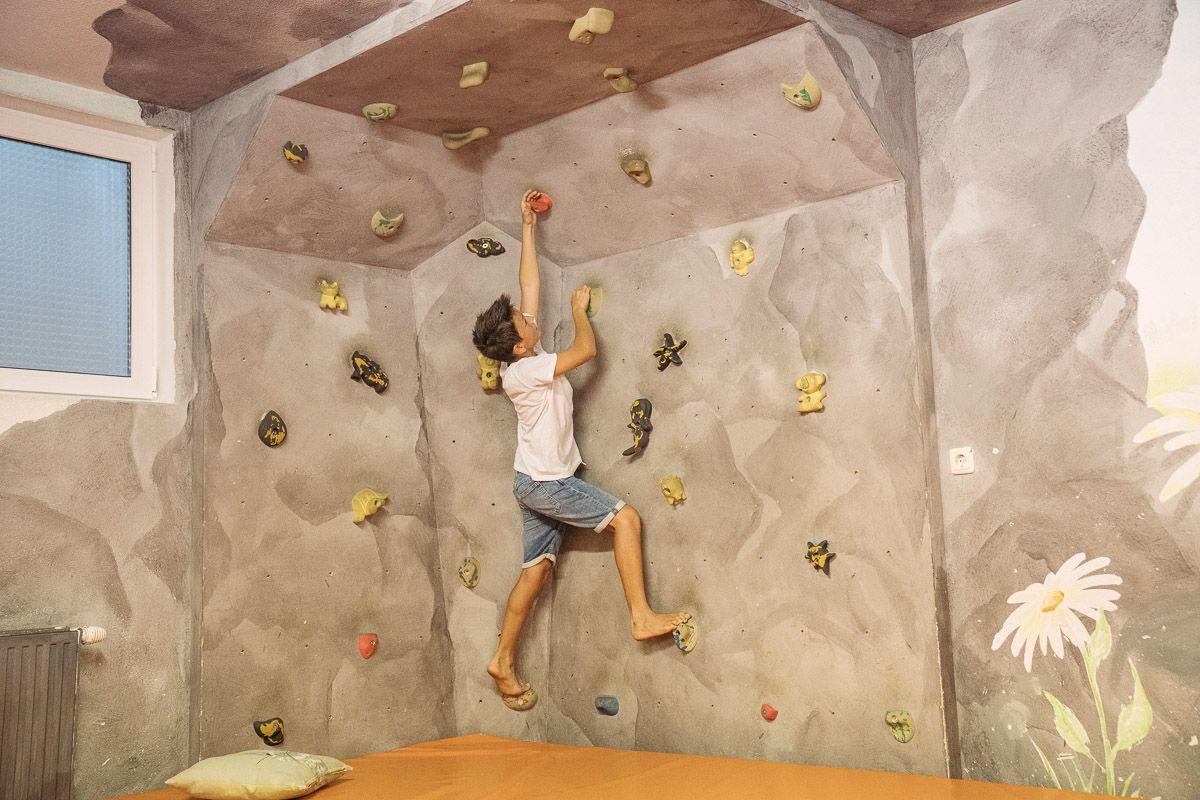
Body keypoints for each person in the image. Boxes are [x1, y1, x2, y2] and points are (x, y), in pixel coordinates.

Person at [470, 190, 692, 711]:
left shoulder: (520, 355)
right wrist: (577, 312)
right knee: (627, 520)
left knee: (537, 571)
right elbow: (587, 351)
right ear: (520, 345)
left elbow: (528, 284)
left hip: (532, 480)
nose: (530, 317)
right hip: (547, 484)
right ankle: (641, 616)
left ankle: (501, 660)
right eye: (525, 322)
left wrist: (527, 226)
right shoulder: (527, 370)